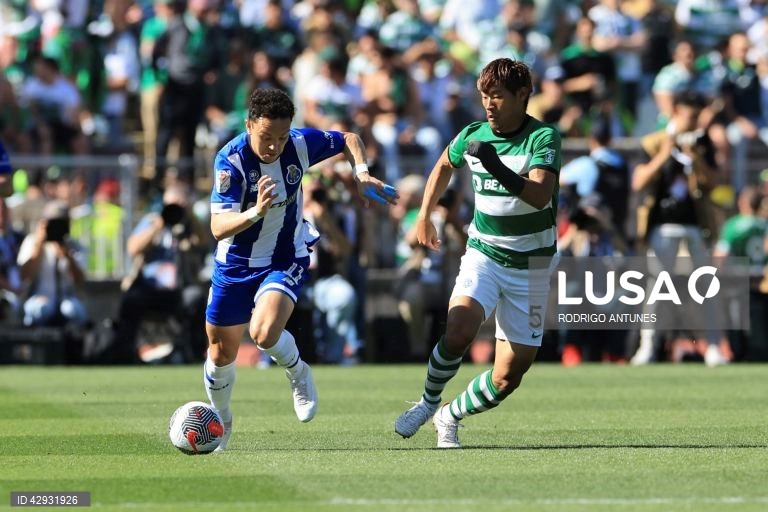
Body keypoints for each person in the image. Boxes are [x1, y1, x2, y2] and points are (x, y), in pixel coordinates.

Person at [204, 88, 397, 451]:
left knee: (263, 332)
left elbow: (348, 138)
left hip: (284, 256)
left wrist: (361, 173)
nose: (274, 146)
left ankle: (298, 372)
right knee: (219, 353)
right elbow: (217, 227)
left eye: (280, 137)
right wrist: (255, 213)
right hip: (235, 263)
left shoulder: (300, 144)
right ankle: (222, 421)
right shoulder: (229, 160)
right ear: (249, 126)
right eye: (266, 137)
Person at [394, 58, 561, 448]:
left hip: (533, 267)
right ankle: (427, 401)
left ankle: (449, 415)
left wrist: (493, 163)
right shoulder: (473, 132)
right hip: (484, 254)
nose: (489, 104)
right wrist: (424, 215)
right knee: (458, 329)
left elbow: (538, 197)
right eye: (485, 96)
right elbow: (442, 165)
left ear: (523, 96)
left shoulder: (544, 138)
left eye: (498, 96)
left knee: (508, 376)